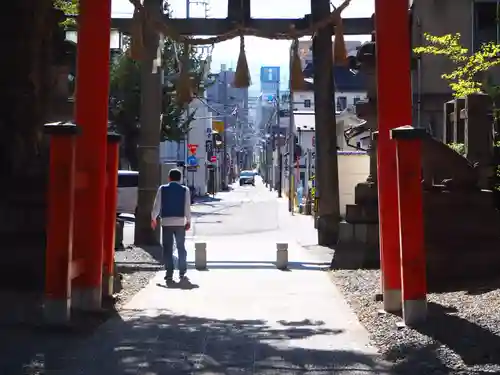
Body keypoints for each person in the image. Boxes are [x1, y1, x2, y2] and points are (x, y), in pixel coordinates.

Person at [151, 168, 192, 283]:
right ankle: (182, 272)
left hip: (166, 222)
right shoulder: (185, 190)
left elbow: (157, 205)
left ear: (169, 178)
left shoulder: (162, 189)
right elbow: (187, 207)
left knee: (168, 248)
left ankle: (169, 273)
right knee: (181, 247)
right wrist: (188, 221)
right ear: (180, 179)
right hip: (180, 222)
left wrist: (153, 218)